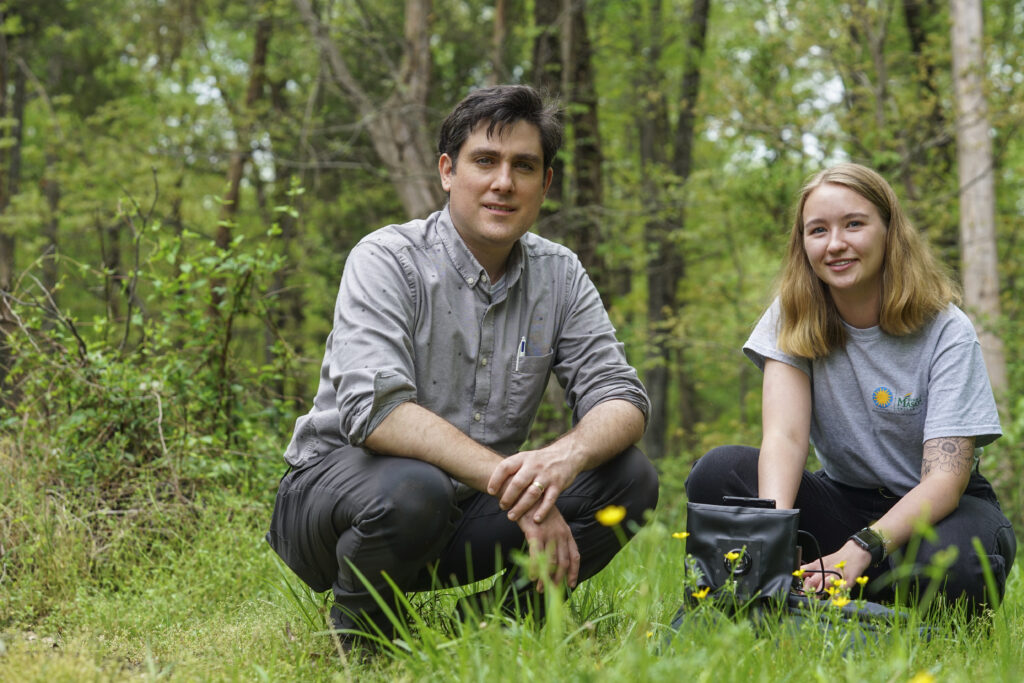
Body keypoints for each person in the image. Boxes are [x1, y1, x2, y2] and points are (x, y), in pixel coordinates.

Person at [266, 85, 658, 645]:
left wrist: (557, 464)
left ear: (545, 184)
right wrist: (519, 491)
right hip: (335, 504)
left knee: (630, 477)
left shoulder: (560, 275)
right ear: (449, 171)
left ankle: (484, 632)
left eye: (524, 166)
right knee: (414, 486)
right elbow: (374, 412)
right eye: (485, 161)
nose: (504, 183)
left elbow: (620, 395)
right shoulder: (387, 259)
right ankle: (363, 638)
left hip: (463, 511)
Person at [685, 163, 1015, 613]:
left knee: (953, 564)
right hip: (842, 501)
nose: (835, 244)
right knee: (719, 471)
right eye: (817, 230)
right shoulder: (792, 315)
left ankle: (871, 585)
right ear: (802, 244)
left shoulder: (947, 330)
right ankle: (815, 584)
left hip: (938, 512)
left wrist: (862, 548)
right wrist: (773, 541)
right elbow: (785, 438)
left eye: (854, 224)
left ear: (888, 231)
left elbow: (944, 480)